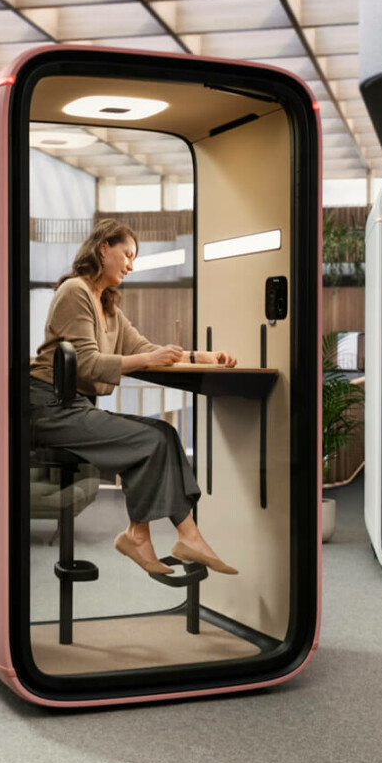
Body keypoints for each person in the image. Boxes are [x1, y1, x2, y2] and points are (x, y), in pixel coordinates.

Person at [29, 219, 238, 576]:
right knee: (152, 438)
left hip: (73, 407)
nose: (131, 264)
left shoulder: (108, 307)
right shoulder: (75, 291)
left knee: (165, 435)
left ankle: (150, 535)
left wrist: (199, 357)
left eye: (134, 257)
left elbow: (146, 349)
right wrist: (146, 360)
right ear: (103, 248)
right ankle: (163, 536)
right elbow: (89, 364)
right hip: (48, 407)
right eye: (126, 254)